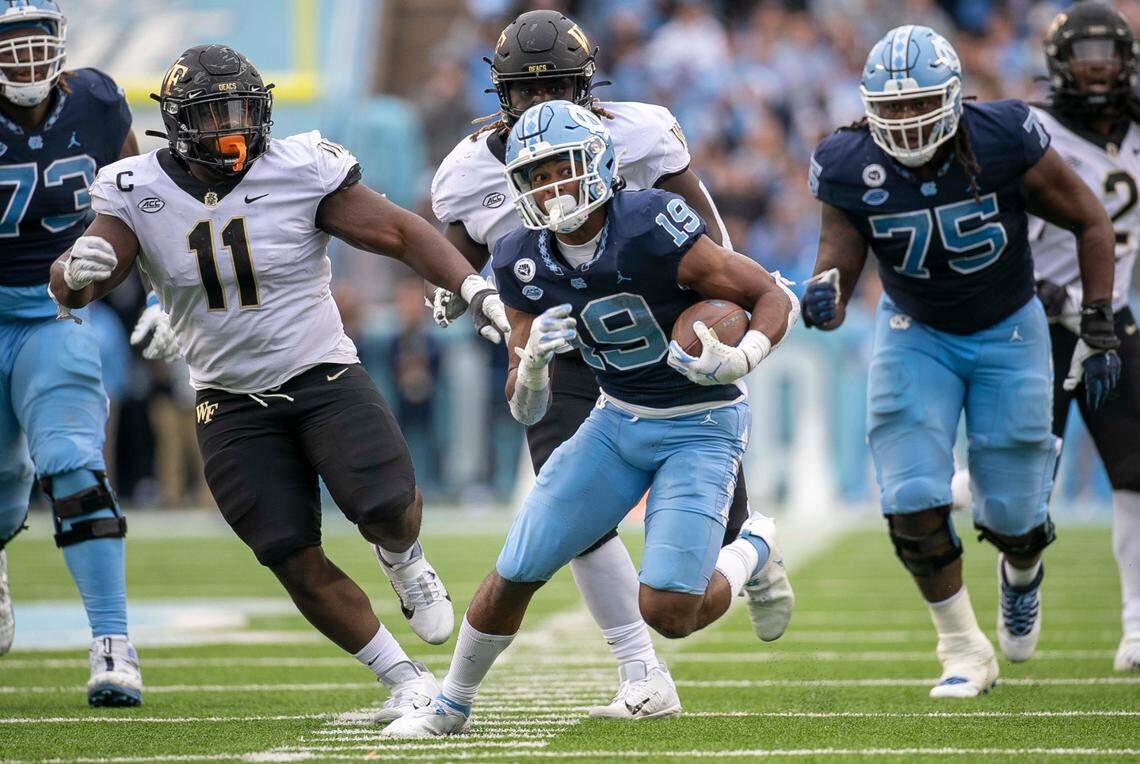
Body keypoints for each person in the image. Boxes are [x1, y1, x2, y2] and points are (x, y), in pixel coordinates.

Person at [47, 43, 511, 720]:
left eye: (240, 110)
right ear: (177, 125)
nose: (231, 129)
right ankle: (402, 678)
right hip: (228, 399)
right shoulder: (136, 187)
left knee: (385, 504)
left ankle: (404, 556)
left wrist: (471, 283)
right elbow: (84, 279)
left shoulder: (299, 167)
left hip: (320, 369)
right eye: (212, 116)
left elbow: (400, 233)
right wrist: (73, 271)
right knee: (289, 552)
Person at [383, 99, 797, 738]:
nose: (552, 188)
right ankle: (450, 705)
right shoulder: (521, 256)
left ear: (600, 163)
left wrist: (744, 353)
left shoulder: (653, 223)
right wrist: (536, 368)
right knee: (516, 568)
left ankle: (755, 543)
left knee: (668, 611)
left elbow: (770, 293)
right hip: (615, 419)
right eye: (537, 176)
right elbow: (525, 408)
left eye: (562, 169)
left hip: (700, 423)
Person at [426, 9, 759, 717]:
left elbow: (713, 242)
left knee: (723, 526)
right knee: (569, 505)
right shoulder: (464, 171)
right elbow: (453, 259)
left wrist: (731, 322)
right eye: (523, 93)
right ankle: (640, 672)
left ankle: (752, 547)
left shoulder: (638, 131)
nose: (540, 108)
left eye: (557, 92)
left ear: (588, 86)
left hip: (653, 331)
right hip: (554, 336)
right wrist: (457, 291)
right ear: (500, 93)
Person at [802, 25, 1120, 697]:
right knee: (910, 496)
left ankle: (1021, 574)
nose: (908, 121)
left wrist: (1098, 315)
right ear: (867, 108)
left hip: (1010, 328)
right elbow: (840, 252)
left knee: (1014, 518)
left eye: (920, 105)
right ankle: (961, 647)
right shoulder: (846, 159)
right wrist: (827, 288)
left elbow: (1090, 219)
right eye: (892, 109)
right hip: (914, 330)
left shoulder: (1003, 135)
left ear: (952, 99)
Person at [0, 0, 143, 706]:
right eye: (8, 42)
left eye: (35, 40)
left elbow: (143, 203)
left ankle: (113, 644)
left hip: (54, 310)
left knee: (71, 463)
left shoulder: (96, 100)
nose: (24, 57)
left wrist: (163, 301)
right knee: (3, 495)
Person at [1031, 2, 1140, 672]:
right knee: (1014, 485)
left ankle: (1137, 625)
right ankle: (1018, 580)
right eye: (1083, 54)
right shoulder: (1031, 131)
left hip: (1111, 324)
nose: (1096, 67)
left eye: (1107, 53)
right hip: (1033, 326)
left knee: (1136, 475)